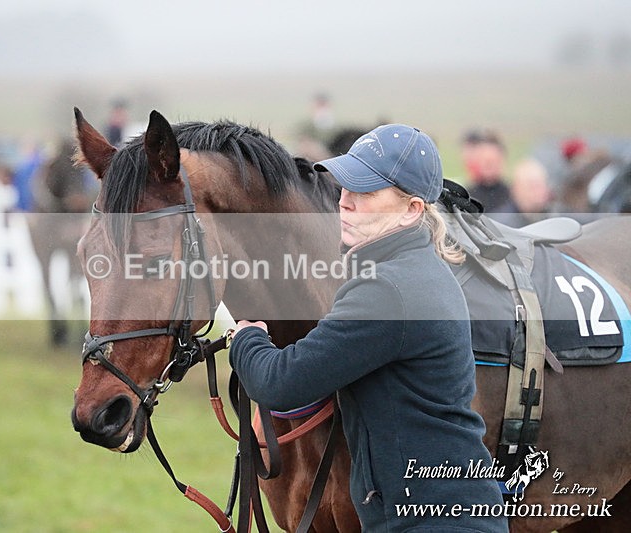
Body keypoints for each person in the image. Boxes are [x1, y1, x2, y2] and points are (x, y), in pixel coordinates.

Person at [229, 124, 508, 532]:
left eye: (365, 192)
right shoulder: (410, 270)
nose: (345, 202)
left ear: (412, 210)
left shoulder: (387, 289)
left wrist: (247, 338)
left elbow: (280, 383)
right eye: (344, 188)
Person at [491, 158, 554, 228]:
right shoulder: (499, 225)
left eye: (541, 185)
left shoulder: (557, 218)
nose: (539, 192)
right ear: (516, 189)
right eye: (532, 186)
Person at [467, 131, 511, 213]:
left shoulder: (513, 195)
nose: (488, 166)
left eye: (492, 161)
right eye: (484, 161)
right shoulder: (467, 197)